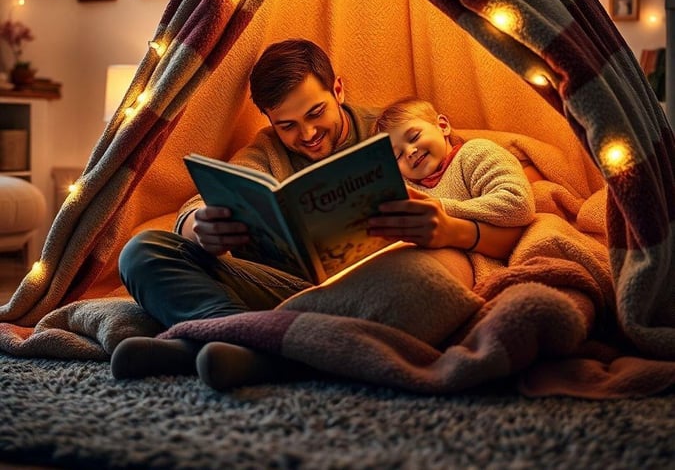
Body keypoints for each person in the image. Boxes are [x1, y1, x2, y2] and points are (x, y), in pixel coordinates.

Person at [111, 40, 528, 387]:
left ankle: (215, 347)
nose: (306, 134)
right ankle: (250, 342)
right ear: (270, 120)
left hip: (379, 286)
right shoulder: (267, 150)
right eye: (287, 125)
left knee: (423, 283)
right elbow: (204, 200)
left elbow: (470, 181)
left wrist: (448, 226)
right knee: (141, 253)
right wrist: (197, 224)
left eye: (315, 113)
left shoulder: (392, 132)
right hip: (291, 289)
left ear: (339, 91)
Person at [371, 96, 535, 289]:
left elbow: (518, 203)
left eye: (414, 137)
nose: (410, 152)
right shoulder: (406, 189)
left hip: (497, 265)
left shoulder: (474, 153)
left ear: (442, 126)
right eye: (397, 155)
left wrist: (441, 208)